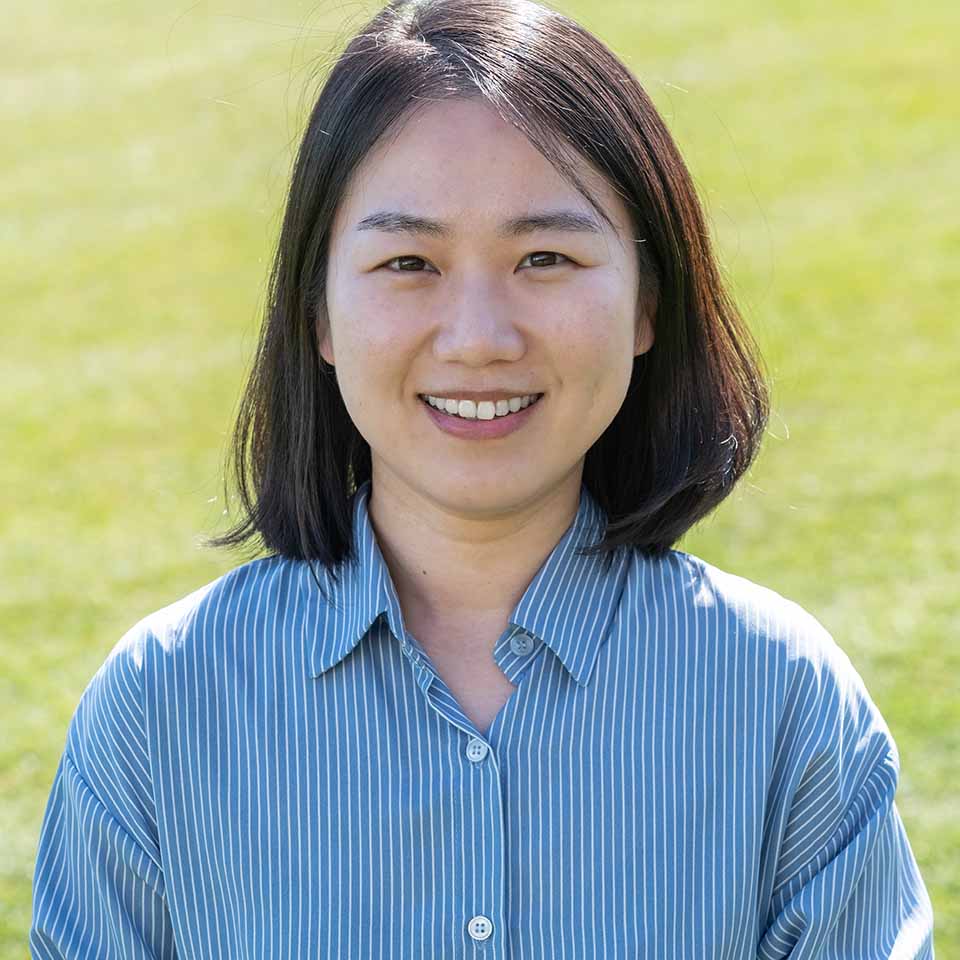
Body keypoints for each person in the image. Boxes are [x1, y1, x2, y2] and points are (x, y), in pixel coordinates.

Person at [30, 0, 935, 956]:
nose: (477, 338)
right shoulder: (163, 709)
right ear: (320, 316)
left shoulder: (779, 699)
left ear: (646, 304)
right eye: (408, 261)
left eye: (545, 256)